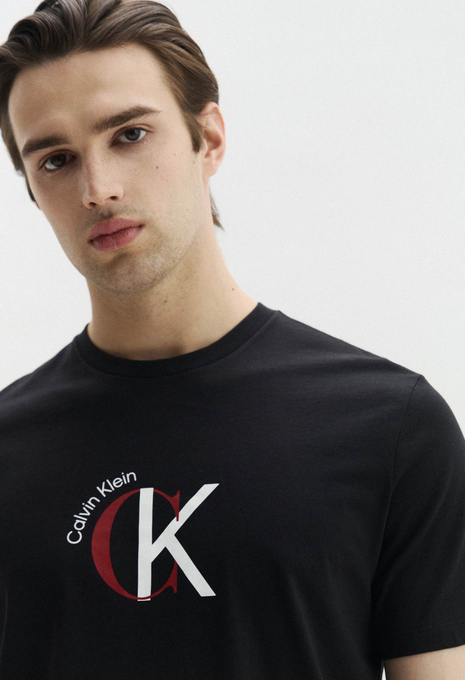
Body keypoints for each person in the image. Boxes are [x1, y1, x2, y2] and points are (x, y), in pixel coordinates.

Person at [0, 1, 464, 679]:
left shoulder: (392, 429)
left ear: (209, 138)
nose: (98, 188)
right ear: (34, 194)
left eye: (130, 134)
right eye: (56, 159)